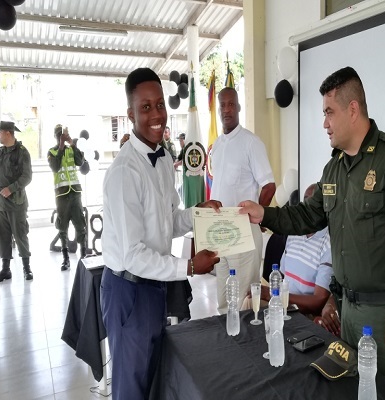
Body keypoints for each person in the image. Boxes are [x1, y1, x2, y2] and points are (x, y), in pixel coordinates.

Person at [239, 66, 385, 396]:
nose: (324, 123)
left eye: (329, 112)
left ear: (352, 110)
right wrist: (264, 214)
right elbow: (306, 216)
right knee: (352, 391)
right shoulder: (334, 169)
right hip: (347, 312)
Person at [100, 67, 221, 400]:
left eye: (159, 105)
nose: (156, 115)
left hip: (156, 286)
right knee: (131, 389)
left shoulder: (165, 158)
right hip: (128, 290)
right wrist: (190, 267)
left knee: (155, 381)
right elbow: (133, 255)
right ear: (130, 114)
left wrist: (199, 214)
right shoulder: (124, 172)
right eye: (145, 107)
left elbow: (168, 221)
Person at [211, 87, 276, 314]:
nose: (227, 110)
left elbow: (269, 185)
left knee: (244, 304)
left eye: (231, 104)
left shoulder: (251, 142)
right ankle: (225, 335)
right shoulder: (217, 146)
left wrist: (255, 217)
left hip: (244, 233)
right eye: (222, 105)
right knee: (223, 301)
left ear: (238, 107)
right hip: (221, 233)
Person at [248, 184, 333, 317]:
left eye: (313, 203)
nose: (308, 207)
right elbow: (282, 277)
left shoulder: (329, 243)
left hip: (304, 314)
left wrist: (272, 294)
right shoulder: (294, 233)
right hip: (282, 305)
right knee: (247, 303)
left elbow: (318, 302)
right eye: (305, 202)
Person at [0, 121, 34, 282]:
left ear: (8, 133)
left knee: (20, 235)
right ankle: (5, 270)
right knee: (2, 237)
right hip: (1, 204)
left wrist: (11, 188)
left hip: (17, 203)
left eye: (0, 132)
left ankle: (27, 268)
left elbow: (27, 176)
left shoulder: (22, 152)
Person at [47, 124, 87, 271]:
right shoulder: (52, 151)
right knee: (62, 227)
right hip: (62, 195)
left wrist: (72, 144)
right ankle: (65, 259)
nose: (61, 137)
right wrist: (61, 146)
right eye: (59, 135)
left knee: (80, 224)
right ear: (55, 137)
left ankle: (84, 256)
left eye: (63, 135)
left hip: (75, 193)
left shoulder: (71, 149)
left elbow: (80, 162)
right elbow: (55, 167)